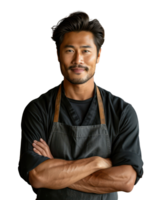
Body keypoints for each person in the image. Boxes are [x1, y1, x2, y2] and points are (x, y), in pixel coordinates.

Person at [18, 9, 145, 200]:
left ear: (99, 55)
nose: (78, 60)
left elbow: (126, 181)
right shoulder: (37, 109)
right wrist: (97, 163)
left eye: (86, 51)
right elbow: (37, 177)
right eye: (69, 50)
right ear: (57, 55)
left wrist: (55, 168)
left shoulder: (123, 111)